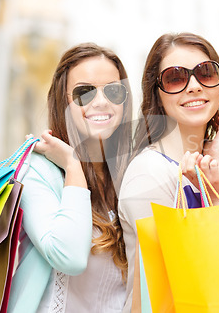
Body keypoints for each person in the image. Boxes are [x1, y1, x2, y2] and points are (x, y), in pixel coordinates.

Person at [8, 43, 133, 313]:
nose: (101, 101)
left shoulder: (130, 175)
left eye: (113, 90)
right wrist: (73, 166)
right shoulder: (38, 171)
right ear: (63, 101)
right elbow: (69, 257)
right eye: (84, 92)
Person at [117, 32, 219, 311]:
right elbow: (164, 287)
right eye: (175, 78)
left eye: (205, 73)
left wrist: (218, 158)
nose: (193, 86)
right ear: (157, 93)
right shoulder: (149, 174)